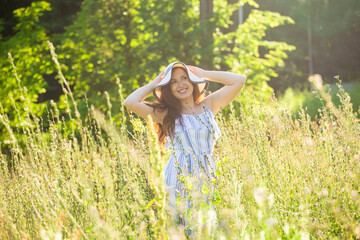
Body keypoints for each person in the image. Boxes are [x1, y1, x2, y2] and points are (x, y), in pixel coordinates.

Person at [124, 61, 245, 230]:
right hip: (177, 178)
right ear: (168, 88)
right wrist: (154, 83)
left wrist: (204, 72)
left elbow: (239, 80)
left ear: (192, 81)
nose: (180, 84)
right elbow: (130, 102)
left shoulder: (208, 105)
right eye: (173, 82)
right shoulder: (166, 114)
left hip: (206, 175)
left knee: (204, 229)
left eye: (184, 78)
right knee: (181, 230)